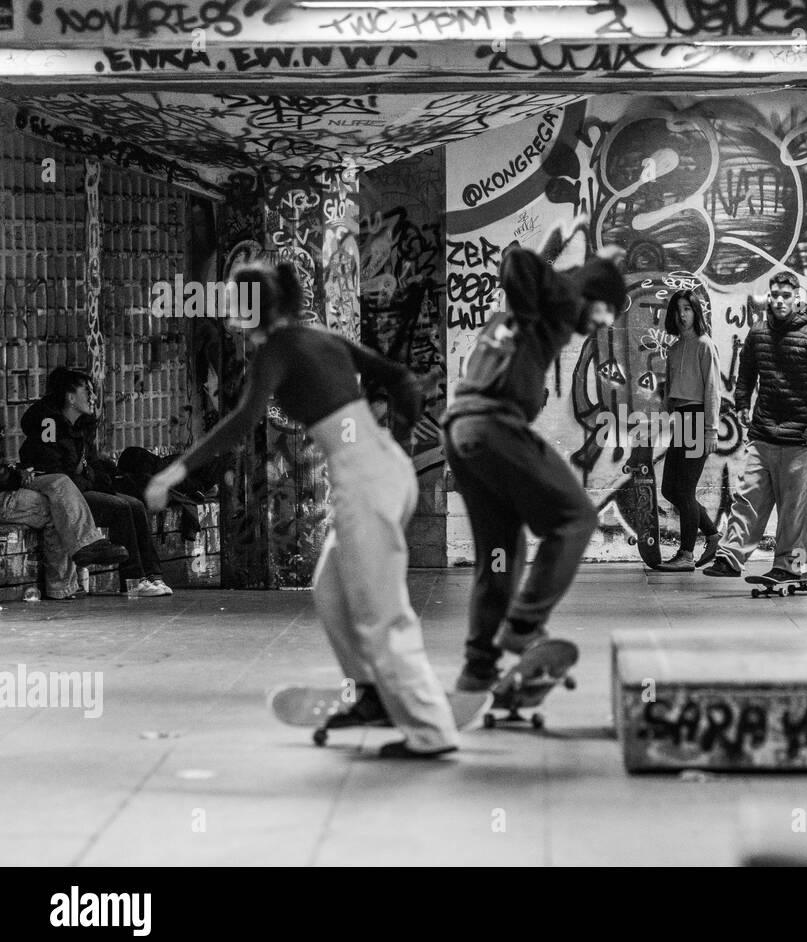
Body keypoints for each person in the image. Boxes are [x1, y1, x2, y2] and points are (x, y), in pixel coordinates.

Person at [144, 261, 462, 759]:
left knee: (382, 614)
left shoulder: (279, 347)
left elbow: (244, 419)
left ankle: (431, 730)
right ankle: (373, 696)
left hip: (367, 483)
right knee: (332, 592)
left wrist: (175, 471)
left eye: (232, 300)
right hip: (383, 472)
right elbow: (401, 380)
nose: (226, 309)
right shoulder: (316, 338)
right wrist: (396, 441)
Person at [441, 216, 625, 692]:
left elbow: (530, 269)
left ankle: (478, 666)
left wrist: (575, 260)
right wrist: (587, 274)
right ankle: (523, 625)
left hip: (461, 434)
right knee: (576, 518)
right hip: (495, 427)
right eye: (606, 311)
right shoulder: (561, 304)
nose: (602, 324)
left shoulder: (533, 306)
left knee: (501, 554)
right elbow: (520, 260)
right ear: (590, 296)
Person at [703, 271, 807, 580]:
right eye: (774, 295)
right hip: (763, 434)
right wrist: (742, 404)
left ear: (796, 298)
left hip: (798, 439)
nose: (779, 300)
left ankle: (790, 566)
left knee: (795, 510)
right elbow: (746, 371)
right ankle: (730, 558)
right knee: (747, 499)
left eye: (785, 295)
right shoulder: (759, 333)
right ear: (769, 297)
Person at [18, 368, 172, 596]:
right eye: (87, 391)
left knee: (135, 505)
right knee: (120, 509)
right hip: (65, 494)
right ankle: (133, 581)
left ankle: (153, 576)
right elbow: (53, 468)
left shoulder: (82, 426)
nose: (93, 397)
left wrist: (92, 475)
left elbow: (91, 465)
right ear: (70, 398)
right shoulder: (48, 423)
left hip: (84, 485)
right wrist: (86, 475)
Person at [652, 288, 722, 572]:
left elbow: (712, 390)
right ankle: (713, 534)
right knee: (670, 488)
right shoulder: (675, 348)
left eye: (687, 309)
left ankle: (686, 554)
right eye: (677, 309)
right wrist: (667, 402)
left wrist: (711, 431)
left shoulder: (705, 345)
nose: (682, 315)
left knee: (685, 488)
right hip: (681, 419)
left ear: (696, 312)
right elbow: (670, 389)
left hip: (696, 418)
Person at [0, 463, 128, 599]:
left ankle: (87, 543)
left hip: (10, 483)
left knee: (60, 482)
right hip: (5, 490)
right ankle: (63, 585)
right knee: (56, 507)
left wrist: (19, 471)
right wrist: (16, 476)